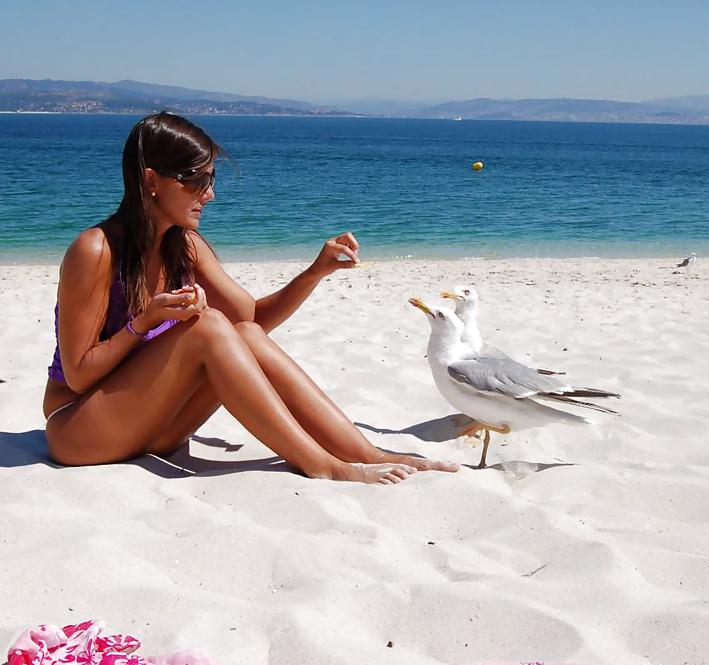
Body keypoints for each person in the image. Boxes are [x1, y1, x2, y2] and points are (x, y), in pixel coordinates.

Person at [43, 112, 458, 484]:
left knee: (241, 333)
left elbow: (249, 323)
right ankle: (321, 464)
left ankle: (364, 452)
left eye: (211, 180)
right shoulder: (95, 250)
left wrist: (314, 272)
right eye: (197, 180)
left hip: (156, 427)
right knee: (206, 327)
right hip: (79, 430)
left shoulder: (183, 245)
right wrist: (145, 322)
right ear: (152, 181)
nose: (209, 194)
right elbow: (78, 375)